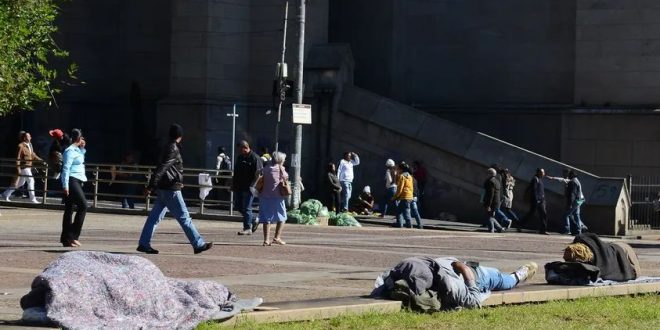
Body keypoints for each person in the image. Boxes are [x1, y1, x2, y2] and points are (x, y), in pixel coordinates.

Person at [136, 124, 213, 254]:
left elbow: (165, 168)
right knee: (184, 218)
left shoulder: (167, 147)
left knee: (154, 218)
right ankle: (198, 244)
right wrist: (151, 186)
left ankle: (144, 243)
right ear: (180, 136)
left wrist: (154, 185)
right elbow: (163, 168)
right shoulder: (172, 148)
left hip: (164, 188)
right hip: (170, 189)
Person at [372, 256, 537, 311]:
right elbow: (386, 279)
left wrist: (464, 269)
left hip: (479, 276)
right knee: (500, 278)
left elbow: (473, 301)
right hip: (465, 270)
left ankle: (520, 274)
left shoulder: (449, 285)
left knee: (505, 281)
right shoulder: (408, 266)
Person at [60, 129, 88, 247]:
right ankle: (73, 236)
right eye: (82, 138)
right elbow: (65, 169)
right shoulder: (69, 151)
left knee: (69, 209)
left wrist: (82, 148)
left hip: (79, 179)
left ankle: (66, 238)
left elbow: (81, 157)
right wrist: (65, 185)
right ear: (78, 138)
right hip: (72, 180)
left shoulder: (78, 150)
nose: (83, 140)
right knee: (83, 205)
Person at [257, 151, 289, 246]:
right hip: (277, 197)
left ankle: (266, 240)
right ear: (280, 160)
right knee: (282, 217)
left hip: (264, 196)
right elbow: (286, 178)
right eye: (284, 159)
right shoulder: (281, 169)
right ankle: (277, 237)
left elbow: (258, 175)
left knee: (267, 219)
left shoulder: (265, 169)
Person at [232, 140, 263, 235]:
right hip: (239, 186)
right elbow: (236, 172)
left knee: (246, 207)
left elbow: (259, 174)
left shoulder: (255, 158)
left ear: (246, 147)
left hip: (249, 187)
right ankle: (254, 219)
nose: (240, 152)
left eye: (241, 149)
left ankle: (247, 228)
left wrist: (253, 186)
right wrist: (232, 184)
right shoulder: (240, 157)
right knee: (238, 206)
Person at [2, 131, 43, 203]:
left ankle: (5, 194)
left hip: (29, 167)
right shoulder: (20, 146)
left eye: (30, 136)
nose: (30, 137)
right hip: (24, 167)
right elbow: (17, 158)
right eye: (28, 136)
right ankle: (32, 199)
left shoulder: (30, 145)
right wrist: (18, 168)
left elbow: (33, 155)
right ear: (24, 138)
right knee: (31, 181)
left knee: (20, 183)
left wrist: (41, 160)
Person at [548, 169, 587, 235]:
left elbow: (572, 194)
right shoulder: (576, 180)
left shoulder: (572, 182)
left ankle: (567, 230)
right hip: (581, 199)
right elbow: (562, 179)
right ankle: (579, 229)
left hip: (576, 200)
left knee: (566, 215)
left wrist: (570, 204)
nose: (568, 176)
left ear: (572, 175)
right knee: (576, 215)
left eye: (569, 174)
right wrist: (553, 178)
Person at [519, 168, 549, 235]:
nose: (544, 174)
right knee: (537, 214)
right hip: (537, 201)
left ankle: (543, 230)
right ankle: (520, 225)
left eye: (543, 172)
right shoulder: (535, 179)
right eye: (542, 172)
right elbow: (534, 190)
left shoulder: (539, 179)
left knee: (539, 214)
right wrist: (537, 200)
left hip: (541, 201)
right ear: (539, 173)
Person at [483, 168, 509, 233]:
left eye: (487, 173)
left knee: (489, 215)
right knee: (490, 215)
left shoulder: (490, 181)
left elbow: (490, 194)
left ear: (490, 174)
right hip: (496, 201)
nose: (486, 174)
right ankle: (499, 228)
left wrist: (488, 205)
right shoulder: (497, 181)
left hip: (491, 202)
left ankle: (493, 229)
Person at [393, 162, 414, 228]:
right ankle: (401, 223)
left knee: (404, 211)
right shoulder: (410, 176)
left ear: (401, 169)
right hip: (409, 196)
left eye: (398, 169)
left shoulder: (402, 176)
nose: (398, 170)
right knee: (402, 211)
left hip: (404, 196)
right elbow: (411, 187)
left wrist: (395, 197)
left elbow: (400, 188)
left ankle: (407, 224)